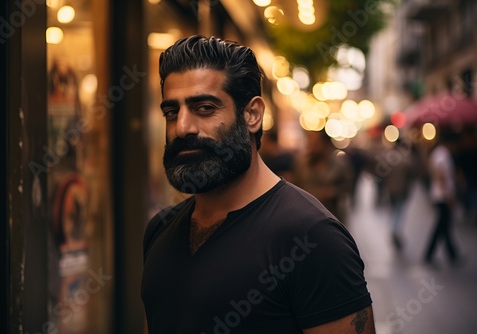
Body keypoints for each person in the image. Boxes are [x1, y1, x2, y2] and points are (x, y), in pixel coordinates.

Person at [141, 35, 375, 334]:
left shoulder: (312, 238)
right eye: (172, 112)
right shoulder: (160, 229)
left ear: (252, 115)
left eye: (205, 108)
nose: (182, 127)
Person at [292, 130, 354, 225]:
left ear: (324, 143)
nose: (311, 145)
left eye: (315, 142)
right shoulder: (302, 163)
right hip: (307, 216)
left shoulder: (339, 163)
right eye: (309, 141)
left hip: (332, 215)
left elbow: (349, 185)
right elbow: (296, 184)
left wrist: (333, 191)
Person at [423, 129, 462, 266]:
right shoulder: (442, 154)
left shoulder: (438, 153)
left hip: (440, 194)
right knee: (442, 226)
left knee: (444, 226)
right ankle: (430, 255)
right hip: (442, 196)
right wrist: (449, 195)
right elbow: (441, 175)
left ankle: (452, 254)